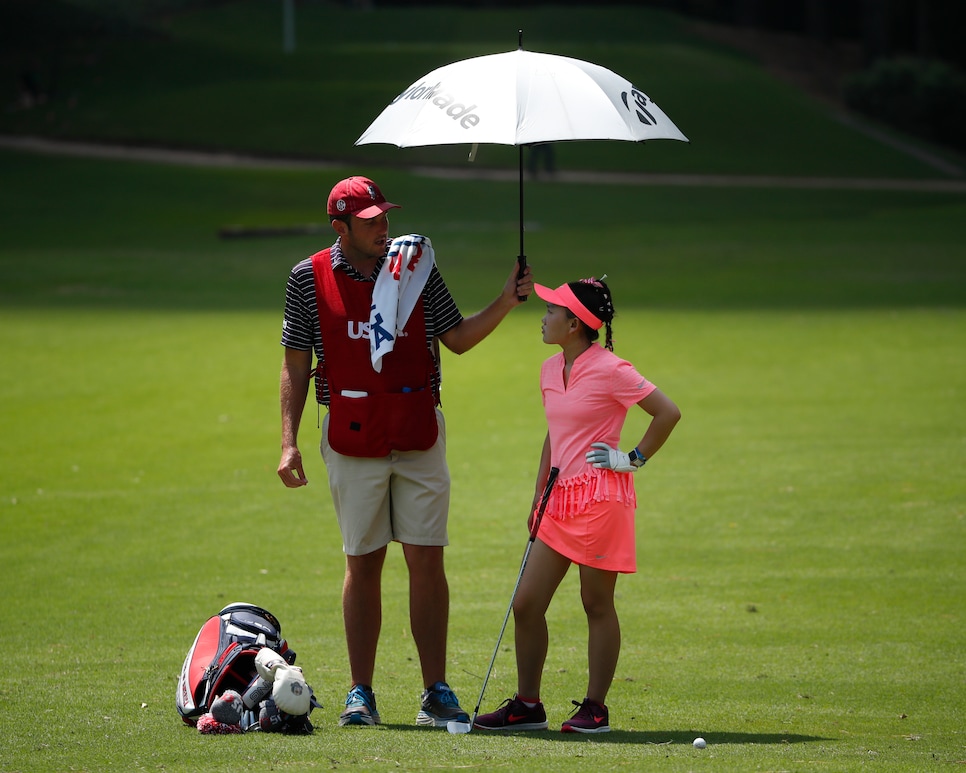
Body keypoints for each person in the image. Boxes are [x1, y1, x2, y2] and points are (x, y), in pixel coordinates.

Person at [276, 175, 534, 728]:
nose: (383, 229)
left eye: (384, 218)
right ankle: (360, 693)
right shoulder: (308, 277)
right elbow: (296, 363)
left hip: (419, 432)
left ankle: (435, 691)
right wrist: (288, 442)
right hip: (351, 436)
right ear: (339, 228)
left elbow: (457, 338)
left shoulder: (415, 265)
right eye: (370, 222)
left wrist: (508, 299)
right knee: (363, 562)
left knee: (426, 558)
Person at [473, 276, 681, 734]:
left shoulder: (612, 369)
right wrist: (537, 494)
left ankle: (595, 708)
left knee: (596, 603)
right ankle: (528, 705)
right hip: (559, 500)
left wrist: (632, 458)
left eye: (551, 311)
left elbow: (668, 412)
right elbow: (555, 433)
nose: (543, 317)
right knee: (527, 604)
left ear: (574, 324)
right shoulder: (550, 369)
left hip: (601, 499)